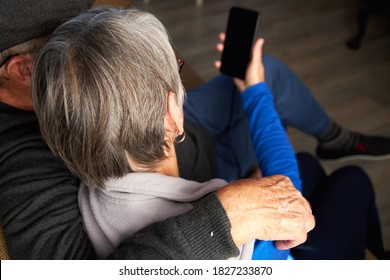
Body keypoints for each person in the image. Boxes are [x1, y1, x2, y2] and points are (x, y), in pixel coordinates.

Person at [0, 0, 385, 259]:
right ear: (22, 70)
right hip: (197, 169)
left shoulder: (86, 180)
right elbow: (287, 192)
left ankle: (334, 140)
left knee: (273, 84)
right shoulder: (22, 162)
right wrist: (227, 214)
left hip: (146, 143)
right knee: (349, 179)